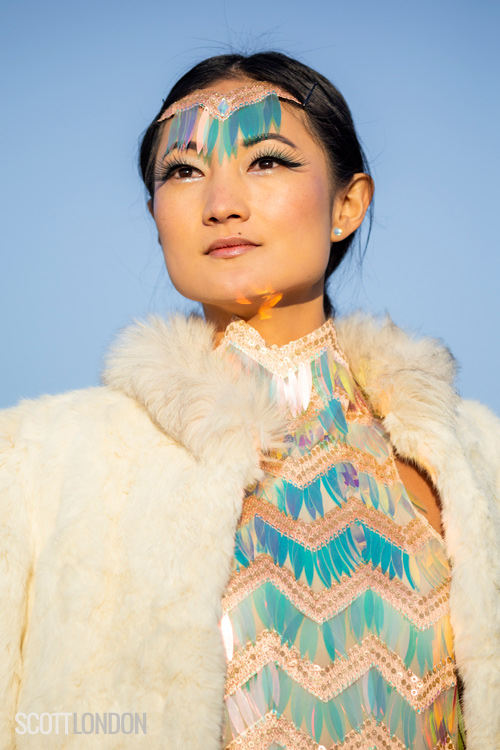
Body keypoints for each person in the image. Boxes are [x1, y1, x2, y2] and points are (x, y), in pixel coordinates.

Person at [1, 50, 499, 750]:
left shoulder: (479, 465)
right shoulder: (36, 466)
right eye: (183, 171)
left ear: (348, 203)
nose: (221, 202)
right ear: (154, 214)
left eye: (266, 161)